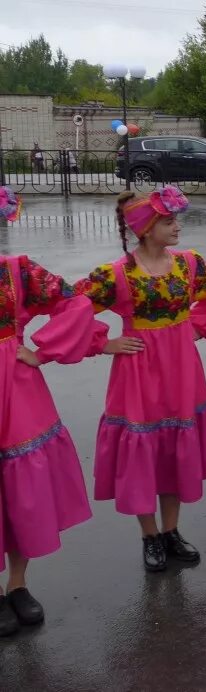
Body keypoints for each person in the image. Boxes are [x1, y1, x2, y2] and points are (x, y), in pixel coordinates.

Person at [76, 187, 206, 571]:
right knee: (144, 449)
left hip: (181, 366)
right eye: (168, 221)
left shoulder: (190, 264)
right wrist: (104, 343)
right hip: (139, 370)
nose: (177, 227)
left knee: (173, 447)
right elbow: (72, 310)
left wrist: (197, 326)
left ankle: (171, 531)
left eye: (176, 220)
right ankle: (149, 535)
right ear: (145, 229)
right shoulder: (115, 275)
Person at [0, 188, 105, 636]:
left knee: (21, 485)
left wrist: (41, 351)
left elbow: (76, 302)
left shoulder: (16, 272)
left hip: (17, 389)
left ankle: (17, 585)